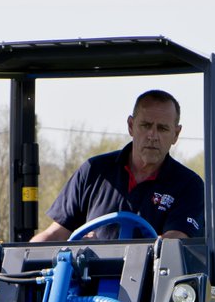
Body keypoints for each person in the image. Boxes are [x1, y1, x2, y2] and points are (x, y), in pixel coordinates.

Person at [30, 89, 204, 242]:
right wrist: (23, 257)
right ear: (130, 126)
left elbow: (175, 241)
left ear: (176, 134)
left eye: (162, 128)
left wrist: (104, 246)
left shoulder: (189, 185)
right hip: (88, 279)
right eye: (146, 125)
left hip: (151, 278)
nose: (152, 135)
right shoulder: (94, 171)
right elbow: (56, 233)